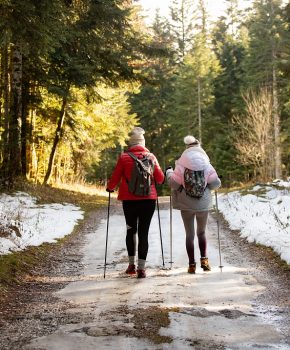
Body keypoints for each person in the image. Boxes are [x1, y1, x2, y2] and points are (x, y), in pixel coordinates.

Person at [106, 127, 164, 278]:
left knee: (131, 230)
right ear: (143, 142)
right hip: (148, 200)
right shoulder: (151, 157)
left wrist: (110, 188)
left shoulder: (124, 157)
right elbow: (160, 178)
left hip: (129, 200)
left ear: (131, 143)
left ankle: (131, 265)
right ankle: (142, 269)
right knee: (144, 233)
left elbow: (115, 178)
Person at [165, 135, 221, 274]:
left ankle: (191, 265)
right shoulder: (207, 165)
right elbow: (215, 184)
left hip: (186, 204)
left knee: (189, 235)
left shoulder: (181, 166)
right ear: (199, 148)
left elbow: (173, 183)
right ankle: (205, 261)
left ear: (187, 149)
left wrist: (169, 172)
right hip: (203, 204)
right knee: (201, 233)